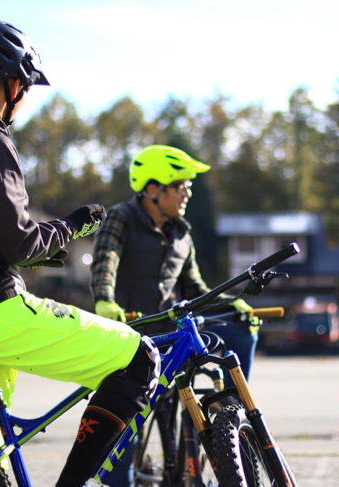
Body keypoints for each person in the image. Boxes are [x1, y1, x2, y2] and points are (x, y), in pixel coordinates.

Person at [0, 20, 160, 487]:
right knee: (139, 359)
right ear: (12, 83)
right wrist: (71, 226)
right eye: (25, 88)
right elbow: (22, 243)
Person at [90, 144, 259, 486]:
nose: (188, 192)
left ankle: (231, 411)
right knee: (125, 430)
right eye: (181, 185)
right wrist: (104, 300)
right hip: (132, 333)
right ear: (153, 189)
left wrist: (233, 303)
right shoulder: (122, 217)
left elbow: (195, 289)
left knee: (242, 331)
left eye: (188, 185)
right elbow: (105, 260)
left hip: (174, 332)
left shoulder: (182, 233)